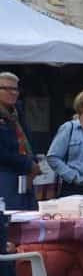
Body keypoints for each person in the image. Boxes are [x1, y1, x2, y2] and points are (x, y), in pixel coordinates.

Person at [0, 72, 39, 210]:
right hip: (5, 175)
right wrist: (28, 164)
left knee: (29, 218)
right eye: (6, 88)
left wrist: (33, 162)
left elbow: (26, 141)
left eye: (15, 89)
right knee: (9, 219)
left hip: (25, 175)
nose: (12, 93)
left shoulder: (17, 113)